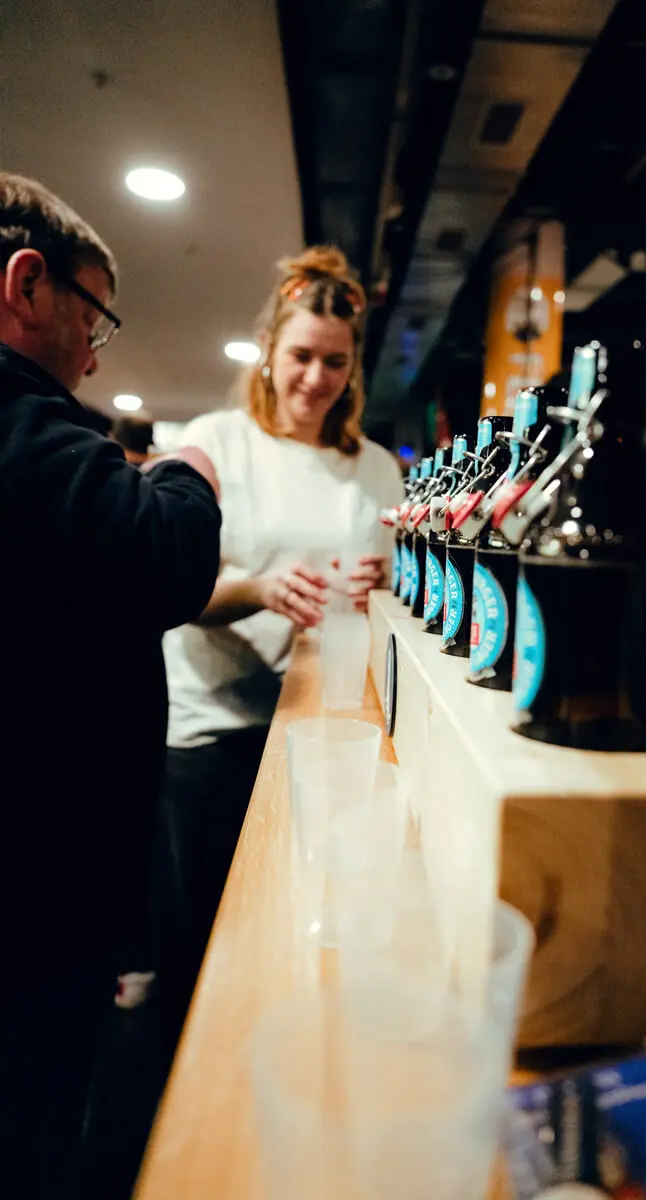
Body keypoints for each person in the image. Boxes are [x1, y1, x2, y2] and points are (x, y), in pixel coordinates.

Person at [0, 172, 222, 1198]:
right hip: (36, 904)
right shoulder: (23, 428)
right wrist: (187, 474)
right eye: (94, 316)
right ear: (27, 285)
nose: (96, 349)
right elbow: (163, 557)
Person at [154, 245, 404, 1040]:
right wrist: (260, 587)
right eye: (300, 356)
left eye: (334, 362)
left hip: (322, 726)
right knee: (201, 948)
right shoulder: (216, 443)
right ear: (270, 351)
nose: (314, 378)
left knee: (295, 932)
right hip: (213, 729)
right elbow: (163, 584)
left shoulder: (373, 470)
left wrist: (381, 588)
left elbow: (402, 595)